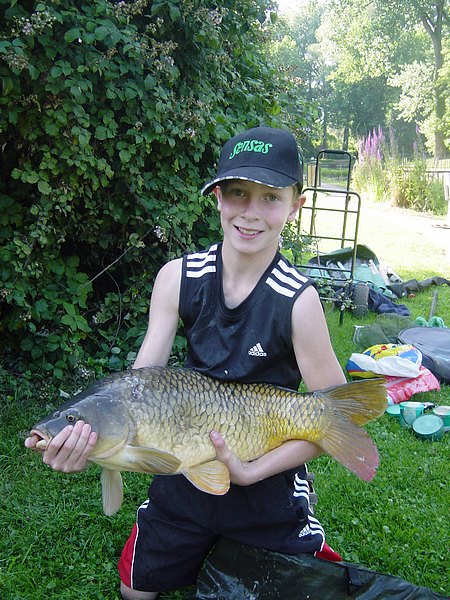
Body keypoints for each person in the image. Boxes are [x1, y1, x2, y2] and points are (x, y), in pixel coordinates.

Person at [25, 126, 346, 599]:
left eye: (270, 197)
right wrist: (94, 442)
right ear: (217, 196)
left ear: (295, 204)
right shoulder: (178, 277)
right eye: (237, 193)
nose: (251, 213)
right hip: (184, 465)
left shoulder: (298, 300)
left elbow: (332, 415)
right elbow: (138, 385)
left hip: (265, 473)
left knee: (298, 585)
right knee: (135, 590)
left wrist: (251, 471)